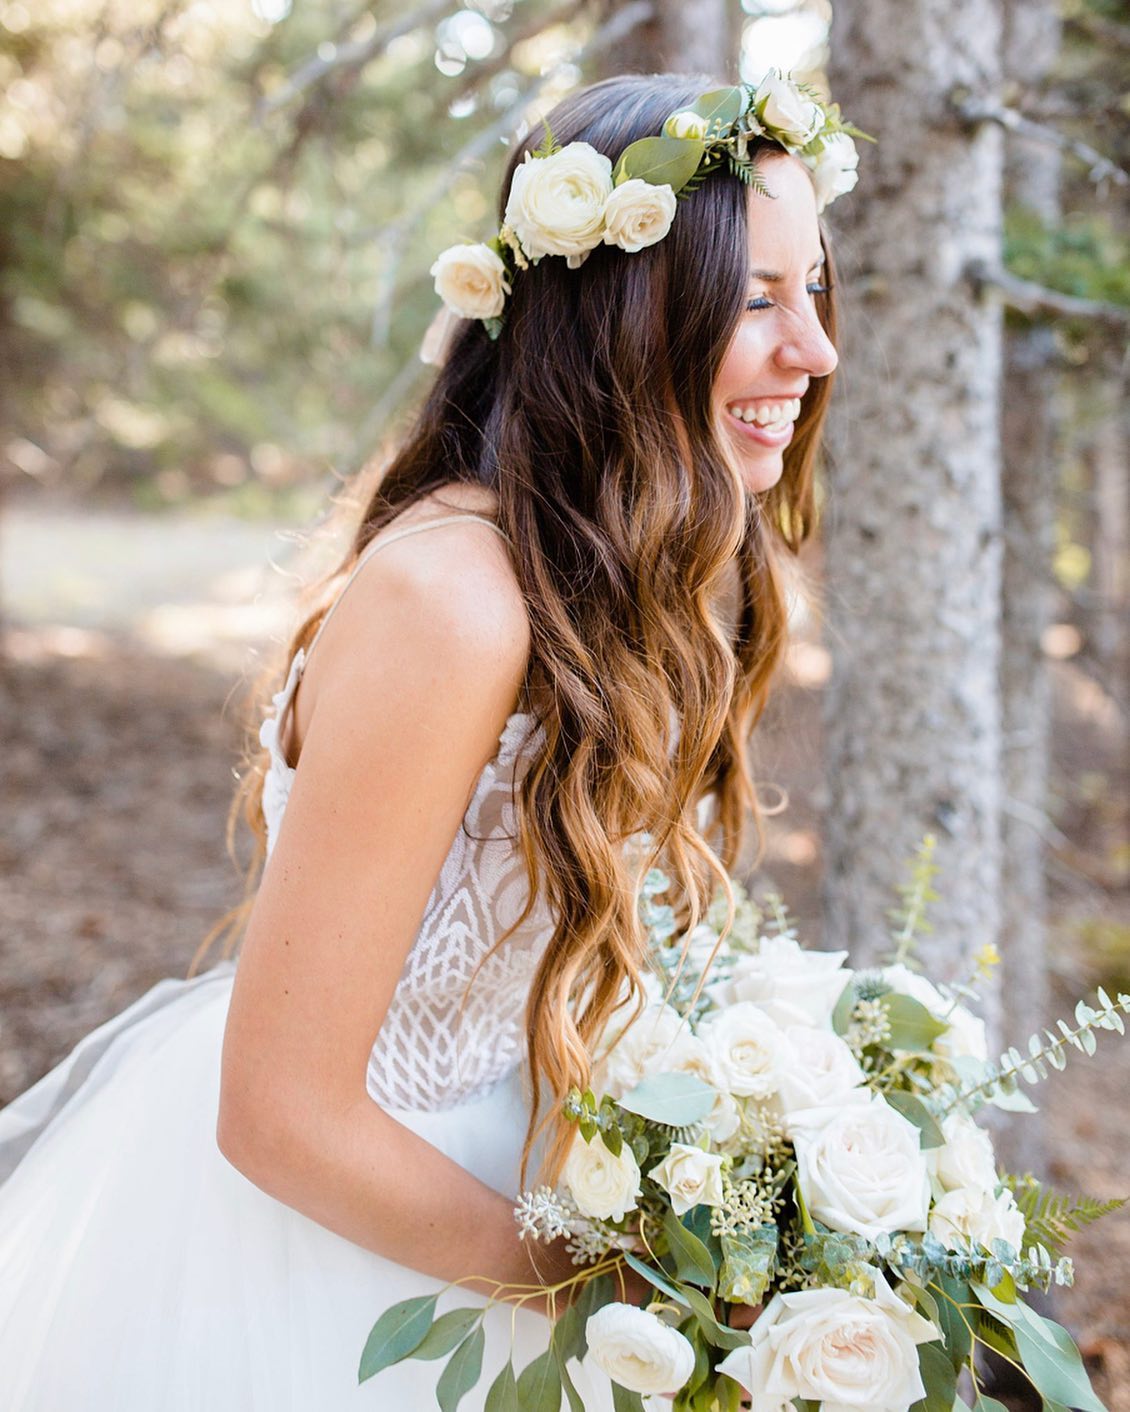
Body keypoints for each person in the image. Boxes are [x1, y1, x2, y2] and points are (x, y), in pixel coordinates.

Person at [0, 68, 846, 1410]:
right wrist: (603, 1291)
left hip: (526, 1166)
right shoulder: (449, 601)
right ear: (629, 313)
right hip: (352, 1238)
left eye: (814, 291)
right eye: (756, 300)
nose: (815, 350)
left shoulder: (629, 569)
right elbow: (279, 1115)